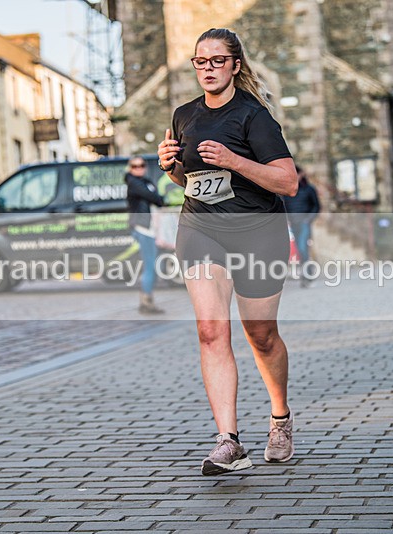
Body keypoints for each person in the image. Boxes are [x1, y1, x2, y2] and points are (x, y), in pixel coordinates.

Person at [158, 28, 298, 475]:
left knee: (260, 334)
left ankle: (280, 418)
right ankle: (229, 442)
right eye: (201, 62)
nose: (208, 69)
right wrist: (172, 167)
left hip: (258, 232)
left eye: (218, 61)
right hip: (201, 228)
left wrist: (234, 160)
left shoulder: (255, 117)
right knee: (211, 331)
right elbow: (191, 180)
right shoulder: (184, 115)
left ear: (235, 66)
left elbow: (287, 182)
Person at [125, 156, 165, 314]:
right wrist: (157, 198)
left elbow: (158, 200)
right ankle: (146, 302)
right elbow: (155, 198)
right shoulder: (134, 182)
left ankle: (147, 300)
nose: (138, 168)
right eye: (134, 166)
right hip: (143, 228)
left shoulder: (145, 182)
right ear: (130, 168)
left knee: (152, 265)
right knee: (150, 266)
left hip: (149, 228)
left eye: (141, 165)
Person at [283, 165, 320, 285]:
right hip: (293, 223)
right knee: (299, 249)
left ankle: (306, 274)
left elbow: (316, 206)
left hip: (304, 223)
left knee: (303, 248)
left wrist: (308, 219)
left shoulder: (309, 189)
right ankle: (307, 272)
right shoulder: (286, 191)